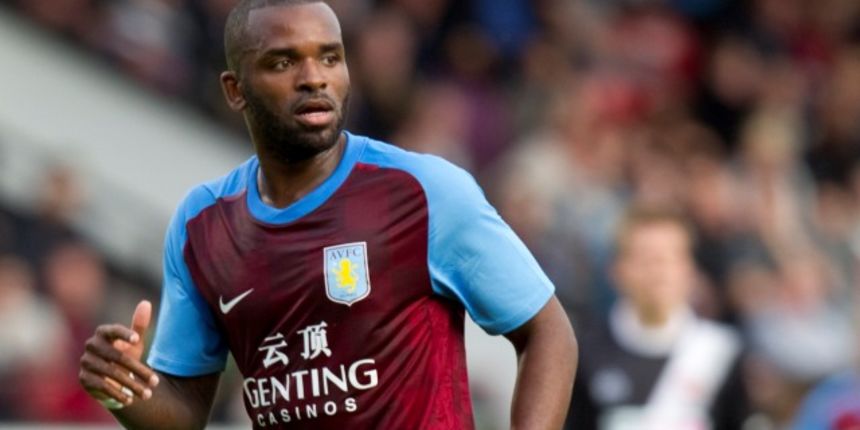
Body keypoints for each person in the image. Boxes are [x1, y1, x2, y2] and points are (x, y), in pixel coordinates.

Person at [78, 1, 578, 429]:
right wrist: (123, 390)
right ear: (235, 90)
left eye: (330, 57)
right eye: (283, 62)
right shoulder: (202, 225)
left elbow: (547, 333)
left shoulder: (423, 191)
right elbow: (185, 412)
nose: (314, 77)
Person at [566, 206, 749, 430]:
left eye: (671, 257)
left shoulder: (721, 352)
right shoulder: (585, 352)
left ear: (690, 269)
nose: (659, 271)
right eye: (646, 258)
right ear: (617, 270)